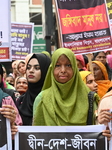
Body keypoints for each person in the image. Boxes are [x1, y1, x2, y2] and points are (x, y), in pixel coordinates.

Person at [33, 48, 99, 126]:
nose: (63, 70)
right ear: (52, 69)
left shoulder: (89, 98)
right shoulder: (42, 99)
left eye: (68, 65)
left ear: (74, 68)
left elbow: (98, 128)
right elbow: (36, 132)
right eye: (58, 65)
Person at [17, 53, 51, 125]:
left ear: (46, 71)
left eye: (37, 68)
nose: (31, 71)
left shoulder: (54, 99)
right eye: (28, 67)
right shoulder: (21, 100)